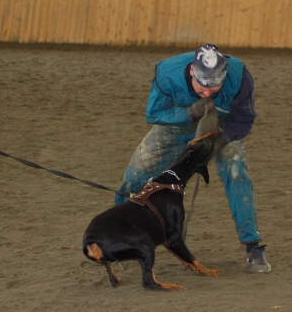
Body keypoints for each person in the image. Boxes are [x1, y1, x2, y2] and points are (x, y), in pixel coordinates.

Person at [115, 43, 271, 274]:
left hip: (220, 128)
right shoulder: (167, 74)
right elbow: (153, 113)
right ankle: (118, 235)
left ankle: (253, 247)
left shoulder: (239, 75)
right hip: (175, 127)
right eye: (202, 87)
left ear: (224, 75)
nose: (208, 93)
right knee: (134, 176)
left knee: (236, 173)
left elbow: (244, 119)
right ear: (191, 71)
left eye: (214, 88)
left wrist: (220, 139)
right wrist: (188, 113)